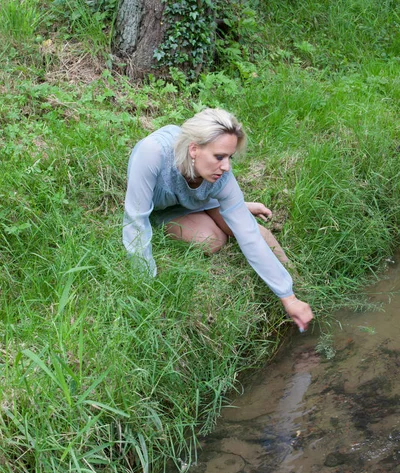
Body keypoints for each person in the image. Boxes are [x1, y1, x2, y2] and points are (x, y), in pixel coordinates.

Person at [123, 108, 313, 331]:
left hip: (200, 196)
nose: (227, 166)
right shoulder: (152, 153)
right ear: (194, 149)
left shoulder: (219, 175)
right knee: (212, 241)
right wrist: (146, 287)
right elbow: (136, 221)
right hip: (164, 207)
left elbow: (248, 235)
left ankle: (295, 277)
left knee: (252, 230)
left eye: (230, 157)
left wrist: (288, 298)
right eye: (219, 157)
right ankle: (232, 206)